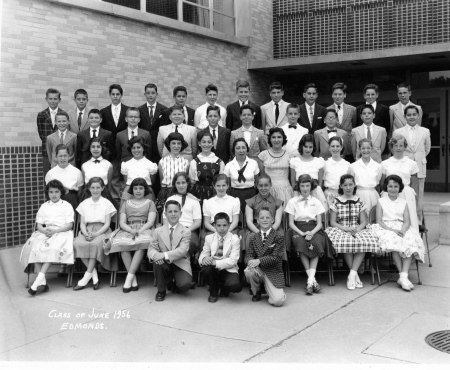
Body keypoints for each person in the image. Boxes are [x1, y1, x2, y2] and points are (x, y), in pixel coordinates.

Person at [20, 180, 74, 296]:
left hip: (61, 231)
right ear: (47, 193)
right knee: (35, 247)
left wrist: (55, 231)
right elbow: (39, 224)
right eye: (51, 192)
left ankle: (39, 280)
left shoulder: (66, 205)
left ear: (61, 193)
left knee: (52, 247)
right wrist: (44, 230)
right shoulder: (44, 206)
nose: (54, 195)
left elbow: (69, 225)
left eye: (56, 192)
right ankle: (42, 282)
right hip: (45, 231)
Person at [325, 174, 380, 290]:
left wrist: (357, 229)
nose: (348, 187)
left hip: (357, 228)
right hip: (341, 228)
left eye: (350, 184)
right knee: (346, 242)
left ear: (354, 185)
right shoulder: (336, 202)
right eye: (345, 185)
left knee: (363, 241)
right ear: (341, 186)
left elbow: (364, 221)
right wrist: (345, 229)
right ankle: (355, 276)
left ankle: (352, 274)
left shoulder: (359, 201)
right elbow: (332, 222)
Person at [371, 175, 425, 291]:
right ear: (386, 187)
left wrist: (403, 230)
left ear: (400, 188)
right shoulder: (381, 201)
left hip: (401, 226)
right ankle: (403, 276)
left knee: (410, 241)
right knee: (395, 243)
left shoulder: (403, 202)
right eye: (390, 186)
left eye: (396, 186)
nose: (393, 189)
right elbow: (379, 221)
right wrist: (392, 230)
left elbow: (407, 221)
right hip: (386, 227)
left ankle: (403, 276)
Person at [104, 178, 157, 293]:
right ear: (132, 190)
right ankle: (133, 279)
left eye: (141, 188)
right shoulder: (126, 204)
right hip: (128, 229)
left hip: (145, 228)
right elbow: (122, 222)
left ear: (145, 190)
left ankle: (129, 278)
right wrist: (131, 230)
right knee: (123, 245)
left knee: (142, 243)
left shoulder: (150, 203)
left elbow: (150, 222)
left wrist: (140, 230)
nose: (138, 191)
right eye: (135, 188)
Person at [285, 174, 334, 295]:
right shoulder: (293, 201)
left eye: (307, 185)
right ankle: (312, 280)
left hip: (314, 229)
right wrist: (302, 233)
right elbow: (291, 223)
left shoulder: (316, 202)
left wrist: (311, 232)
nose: (305, 188)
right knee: (301, 244)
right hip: (297, 228)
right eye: (302, 186)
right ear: (298, 186)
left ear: (311, 187)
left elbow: (319, 224)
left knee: (316, 243)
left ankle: (310, 281)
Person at [73, 177, 117, 290]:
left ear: (102, 188)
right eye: (93, 187)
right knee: (78, 243)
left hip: (102, 230)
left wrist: (96, 234)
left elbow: (107, 223)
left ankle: (86, 277)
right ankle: (94, 274)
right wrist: (85, 233)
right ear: (89, 188)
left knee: (95, 244)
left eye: (98, 187)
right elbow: (82, 223)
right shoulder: (84, 204)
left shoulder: (106, 203)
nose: (95, 190)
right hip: (87, 230)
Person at [148, 200, 193, 301]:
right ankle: (161, 291)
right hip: (163, 263)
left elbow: (182, 250)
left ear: (180, 214)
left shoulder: (186, 231)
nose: (173, 214)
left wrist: (163, 255)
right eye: (170, 211)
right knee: (157, 262)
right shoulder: (158, 231)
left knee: (185, 285)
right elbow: (151, 248)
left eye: (176, 211)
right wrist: (155, 255)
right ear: (165, 214)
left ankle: (173, 283)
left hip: (180, 262)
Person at [394, 106, 431, 224]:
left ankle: (418, 222)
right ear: (404, 117)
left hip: (419, 166)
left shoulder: (425, 131)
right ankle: (401, 219)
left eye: (414, 114)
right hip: (404, 166)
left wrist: (418, 158)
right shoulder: (398, 132)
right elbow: (396, 148)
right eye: (409, 115)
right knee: (403, 192)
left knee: (418, 195)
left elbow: (427, 149)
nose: (411, 117)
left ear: (418, 115)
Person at [244, 207, 286, 307]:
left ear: (272, 220)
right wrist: (250, 262)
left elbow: (276, 257)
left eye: (268, 217)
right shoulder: (253, 237)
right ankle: (257, 291)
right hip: (259, 270)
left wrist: (259, 260)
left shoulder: (278, 236)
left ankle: (270, 289)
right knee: (248, 271)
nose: (265, 220)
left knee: (278, 302)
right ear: (257, 220)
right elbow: (248, 255)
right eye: (262, 218)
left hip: (273, 271)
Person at [199, 212, 242, 303]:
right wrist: (204, 259)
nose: (222, 228)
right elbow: (204, 253)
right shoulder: (209, 238)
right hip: (213, 268)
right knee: (205, 269)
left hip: (228, 268)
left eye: (224, 225)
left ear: (229, 225)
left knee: (235, 286)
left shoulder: (235, 239)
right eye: (219, 225)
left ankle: (224, 288)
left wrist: (215, 263)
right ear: (214, 225)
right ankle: (213, 291)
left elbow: (233, 261)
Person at [380, 135, 420, 231]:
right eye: (395, 145)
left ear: (405, 147)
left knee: (408, 218)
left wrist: (415, 199)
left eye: (401, 145)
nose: (398, 148)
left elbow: (415, 184)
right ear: (391, 147)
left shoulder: (412, 163)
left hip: (406, 193)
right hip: (389, 193)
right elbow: (382, 183)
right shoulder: (385, 163)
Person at [100, 84, 130, 201]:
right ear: (110, 95)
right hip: (109, 151)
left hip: (124, 150)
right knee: (111, 179)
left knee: (124, 179)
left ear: (121, 95)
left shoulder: (127, 110)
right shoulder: (104, 111)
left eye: (118, 94)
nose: (115, 96)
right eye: (113, 94)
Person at [163, 172, 201, 257]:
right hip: (172, 229)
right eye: (178, 183)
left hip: (189, 230)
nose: (181, 186)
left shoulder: (194, 200)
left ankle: (182, 264)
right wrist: (172, 230)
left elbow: (198, 222)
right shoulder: (170, 199)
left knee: (189, 243)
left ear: (187, 184)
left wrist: (186, 231)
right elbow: (165, 219)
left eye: (183, 183)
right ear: (174, 185)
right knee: (167, 242)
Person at [244, 174, 285, 251]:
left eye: (266, 185)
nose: (263, 188)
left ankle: (278, 261)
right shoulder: (250, 202)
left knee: (279, 235)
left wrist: (269, 232)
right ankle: (251, 260)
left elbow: (278, 221)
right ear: (257, 186)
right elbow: (249, 221)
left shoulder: (278, 202)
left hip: (273, 228)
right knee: (250, 236)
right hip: (256, 228)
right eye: (260, 185)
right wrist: (260, 233)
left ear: (270, 185)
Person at [290, 134, 327, 212]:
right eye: (305, 146)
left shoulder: (318, 161)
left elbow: (320, 183)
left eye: (310, 147)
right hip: (299, 192)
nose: (308, 149)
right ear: (301, 146)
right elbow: (293, 182)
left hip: (315, 193)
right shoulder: (295, 161)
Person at [155, 132, 190, 215]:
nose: (176, 146)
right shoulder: (162, 162)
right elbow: (161, 181)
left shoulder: (186, 162)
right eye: (173, 143)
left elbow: (186, 181)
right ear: (169, 145)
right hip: (166, 193)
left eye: (179, 143)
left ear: (182, 145)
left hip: (180, 193)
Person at [259, 127, 294, 206]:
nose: (276, 140)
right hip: (268, 190)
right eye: (273, 137)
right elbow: (261, 176)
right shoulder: (263, 155)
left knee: (284, 215)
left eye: (279, 137)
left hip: (285, 190)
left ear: (283, 139)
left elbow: (292, 177)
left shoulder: (289, 155)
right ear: (270, 139)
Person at [224, 138, 260, 213]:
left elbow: (257, 181)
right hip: (234, 194)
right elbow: (227, 183)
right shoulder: (229, 165)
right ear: (234, 150)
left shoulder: (253, 163)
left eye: (243, 147)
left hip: (251, 194)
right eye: (238, 148)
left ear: (247, 149)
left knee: (250, 217)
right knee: (237, 217)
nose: (241, 150)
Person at [37, 88, 67, 177]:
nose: (53, 101)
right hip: (46, 151)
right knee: (48, 175)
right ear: (46, 99)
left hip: (61, 151)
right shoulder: (41, 115)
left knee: (61, 175)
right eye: (50, 99)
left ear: (59, 100)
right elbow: (41, 133)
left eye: (55, 99)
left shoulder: (64, 114)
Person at [189, 131, 224, 205]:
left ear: (213, 143)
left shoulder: (219, 162)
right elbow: (192, 182)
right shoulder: (194, 162)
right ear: (199, 143)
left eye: (209, 142)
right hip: (198, 193)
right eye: (204, 142)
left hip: (215, 193)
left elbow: (221, 182)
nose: (206, 144)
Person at [356, 84, 390, 159]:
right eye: (368, 94)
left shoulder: (384, 109)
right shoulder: (358, 109)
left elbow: (387, 127)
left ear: (377, 95)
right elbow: (356, 126)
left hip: (379, 149)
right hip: (362, 149)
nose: (370, 96)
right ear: (364, 95)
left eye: (373, 94)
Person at [120, 136, 157, 205]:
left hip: (146, 193)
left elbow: (152, 181)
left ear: (143, 148)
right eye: (133, 148)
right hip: (129, 193)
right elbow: (126, 181)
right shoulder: (126, 164)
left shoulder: (151, 165)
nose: (136, 150)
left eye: (138, 147)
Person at [80, 137, 116, 208]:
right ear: (90, 149)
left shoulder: (108, 165)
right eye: (93, 147)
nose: (95, 149)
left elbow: (109, 186)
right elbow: (85, 184)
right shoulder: (84, 165)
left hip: (104, 194)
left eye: (98, 147)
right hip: (88, 195)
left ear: (102, 148)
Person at [45, 144, 84, 210]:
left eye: (65, 156)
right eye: (60, 156)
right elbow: (48, 191)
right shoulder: (50, 173)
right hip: (56, 200)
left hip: (72, 200)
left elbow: (80, 191)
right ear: (56, 157)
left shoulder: (77, 172)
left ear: (69, 156)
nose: (63, 158)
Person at [350, 139, 382, 217]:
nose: (366, 150)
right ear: (359, 149)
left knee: (372, 217)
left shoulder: (377, 166)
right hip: (358, 194)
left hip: (372, 195)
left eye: (368, 148)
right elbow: (351, 181)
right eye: (363, 148)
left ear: (371, 149)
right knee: (359, 218)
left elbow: (378, 181)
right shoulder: (353, 166)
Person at [138, 83, 168, 166]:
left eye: (153, 93)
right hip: (144, 144)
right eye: (148, 93)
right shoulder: (140, 110)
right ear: (144, 94)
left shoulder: (164, 110)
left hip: (158, 145)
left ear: (157, 94)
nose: (150, 95)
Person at [327, 82, 356, 162]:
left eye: (340, 94)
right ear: (332, 95)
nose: (337, 96)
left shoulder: (352, 109)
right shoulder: (327, 110)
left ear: (344, 95)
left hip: (348, 147)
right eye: (335, 94)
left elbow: (354, 126)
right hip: (333, 147)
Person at [323, 136, 351, 207]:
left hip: (343, 195)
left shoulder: (347, 164)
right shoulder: (325, 164)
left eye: (337, 146)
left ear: (341, 147)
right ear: (329, 148)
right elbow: (322, 182)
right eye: (332, 146)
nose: (335, 148)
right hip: (329, 195)